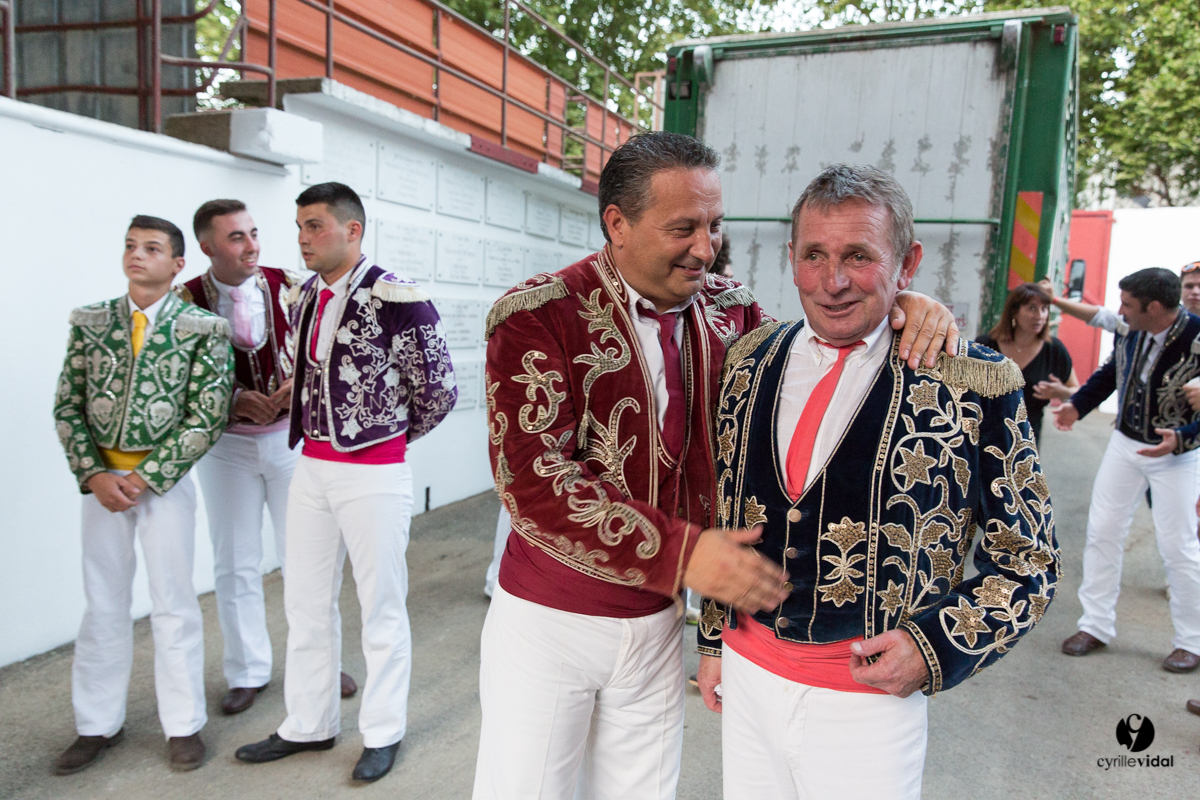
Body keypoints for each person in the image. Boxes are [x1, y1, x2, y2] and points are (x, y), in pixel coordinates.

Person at [473, 132, 961, 800]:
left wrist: (905, 307)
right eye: (684, 228)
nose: (706, 248)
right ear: (617, 223)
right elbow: (533, 481)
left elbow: (820, 342)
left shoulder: (733, 313)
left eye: (714, 225)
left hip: (660, 624)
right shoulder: (539, 315)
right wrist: (683, 555)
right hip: (549, 623)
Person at [695, 164, 1058, 800]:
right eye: (814, 255)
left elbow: (1031, 562)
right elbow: (725, 511)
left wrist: (936, 647)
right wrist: (712, 641)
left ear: (906, 262)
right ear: (792, 258)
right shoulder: (748, 360)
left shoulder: (973, 381)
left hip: (868, 703)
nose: (832, 282)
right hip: (747, 677)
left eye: (859, 256)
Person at [235, 183, 457, 782]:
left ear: (352, 231)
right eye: (300, 227)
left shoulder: (395, 296)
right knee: (305, 601)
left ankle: (383, 731)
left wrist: (383, 437)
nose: (302, 238)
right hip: (309, 466)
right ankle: (308, 723)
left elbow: (439, 391)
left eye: (314, 226)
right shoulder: (308, 294)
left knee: (380, 607)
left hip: (374, 475)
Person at [52, 216, 234, 773]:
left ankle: (183, 726)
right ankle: (96, 724)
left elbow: (209, 414)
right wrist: (95, 475)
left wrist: (146, 476)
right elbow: (67, 404)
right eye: (131, 245)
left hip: (163, 488)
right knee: (103, 604)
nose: (137, 255)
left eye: (152, 248)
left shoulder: (202, 328)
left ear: (178, 264)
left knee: (173, 604)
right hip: (102, 489)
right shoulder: (92, 322)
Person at [178, 199, 357, 715]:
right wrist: (233, 398)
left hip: (287, 440)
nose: (252, 245)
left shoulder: (293, 286)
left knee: (308, 556)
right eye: (236, 237)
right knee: (234, 560)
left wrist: (293, 385)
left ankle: (321, 661)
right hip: (225, 445)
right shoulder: (185, 300)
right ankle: (247, 669)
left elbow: (327, 352)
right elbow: (183, 374)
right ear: (208, 246)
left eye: (254, 233)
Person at [1054, 268, 1200, 673]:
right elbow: (1111, 374)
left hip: (1175, 454)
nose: (1121, 311)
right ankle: (1095, 625)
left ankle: (1191, 641)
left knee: (1180, 546)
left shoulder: (1197, 337)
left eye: (1127, 304)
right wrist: (1077, 405)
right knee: (1102, 531)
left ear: (1154, 308)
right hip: (1125, 442)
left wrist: (1184, 437)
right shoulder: (1130, 329)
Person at [976, 282, 1078, 441]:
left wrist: (1061, 392)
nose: (1039, 316)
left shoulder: (1054, 350)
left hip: (1027, 438)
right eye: (1032, 308)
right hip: (983, 434)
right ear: (1014, 312)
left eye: (1044, 309)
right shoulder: (987, 345)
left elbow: (1077, 391)